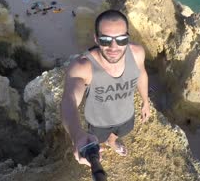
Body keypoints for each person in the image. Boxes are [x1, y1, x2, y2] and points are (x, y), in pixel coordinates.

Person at [61, 10, 151, 166]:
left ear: (128, 38)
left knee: (120, 132)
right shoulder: (84, 66)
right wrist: (77, 135)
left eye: (121, 39)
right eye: (105, 39)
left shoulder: (137, 53)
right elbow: (69, 100)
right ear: (96, 39)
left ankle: (113, 141)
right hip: (98, 121)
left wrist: (145, 101)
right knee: (98, 139)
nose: (114, 46)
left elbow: (141, 74)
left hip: (126, 114)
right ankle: (104, 143)